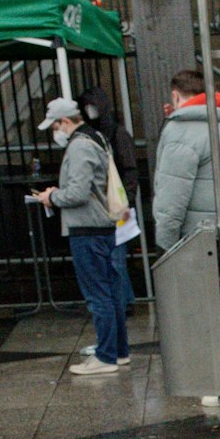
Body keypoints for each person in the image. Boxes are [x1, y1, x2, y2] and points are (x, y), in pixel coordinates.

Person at [35, 97, 125, 377]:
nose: (55, 132)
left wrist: (51, 197)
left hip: (88, 228)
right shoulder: (96, 137)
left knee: (98, 295)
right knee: (110, 292)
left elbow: (77, 193)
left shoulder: (79, 145)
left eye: (55, 126)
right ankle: (118, 351)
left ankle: (106, 356)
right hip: (104, 226)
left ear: (64, 122)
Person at [152, 70, 220, 255]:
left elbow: (172, 196)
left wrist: (165, 245)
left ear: (175, 95)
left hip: (195, 237)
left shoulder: (180, 131)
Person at [77, 83, 141, 346]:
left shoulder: (115, 133)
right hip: (108, 202)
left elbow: (129, 169)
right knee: (113, 258)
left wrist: (125, 198)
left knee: (115, 259)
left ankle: (124, 301)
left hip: (115, 202)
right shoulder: (102, 133)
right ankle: (123, 301)